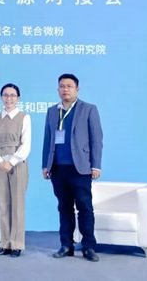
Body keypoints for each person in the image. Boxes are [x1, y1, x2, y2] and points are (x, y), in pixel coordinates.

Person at [42, 73, 103, 262]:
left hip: (81, 168)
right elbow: (47, 139)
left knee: (85, 208)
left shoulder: (89, 109)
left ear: (77, 89)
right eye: (62, 86)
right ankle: (66, 245)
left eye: (69, 86)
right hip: (58, 168)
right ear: (58, 89)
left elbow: (96, 139)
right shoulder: (52, 111)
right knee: (64, 207)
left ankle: (88, 247)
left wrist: (96, 165)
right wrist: (45, 164)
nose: (65, 89)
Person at [0, 83, 31, 258]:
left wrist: (11, 161)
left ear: (18, 98)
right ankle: (5, 243)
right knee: (3, 204)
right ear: (1, 98)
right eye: (6, 95)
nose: (9, 98)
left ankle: (17, 244)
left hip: (18, 163)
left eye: (12, 95)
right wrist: (0, 161)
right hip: (0, 164)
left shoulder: (24, 117)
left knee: (18, 204)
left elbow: (26, 145)